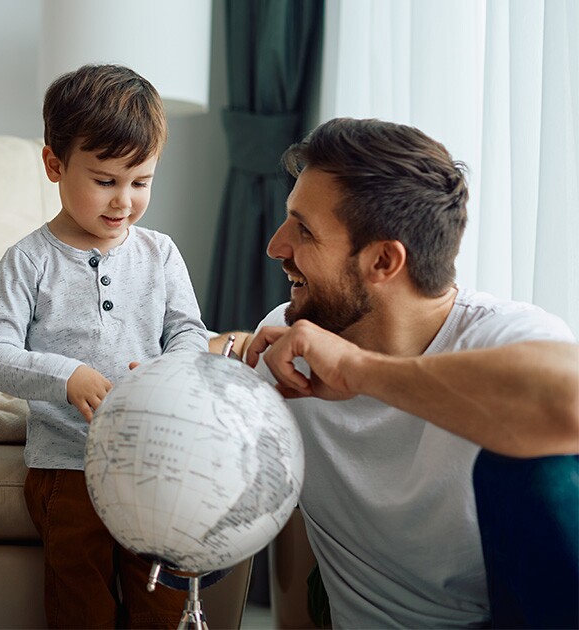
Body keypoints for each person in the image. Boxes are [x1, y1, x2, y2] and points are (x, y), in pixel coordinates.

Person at [240, 117, 579, 628]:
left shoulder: (498, 335)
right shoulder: (291, 340)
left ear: (382, 260)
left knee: (537, 467)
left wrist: (360, 372)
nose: (275, 246)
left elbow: (569, 404)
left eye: (303, 229)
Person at [0, 64, 208, 628]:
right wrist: (66, 376)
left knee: (162, 601)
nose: (123, 200)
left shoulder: (162, 254)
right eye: (105, 180)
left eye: (141, 181)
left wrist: (169, 371)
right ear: (55, 164)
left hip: (152, 463)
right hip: (68, 467)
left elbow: (189, 333)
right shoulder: (27, 261)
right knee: (80, 605)